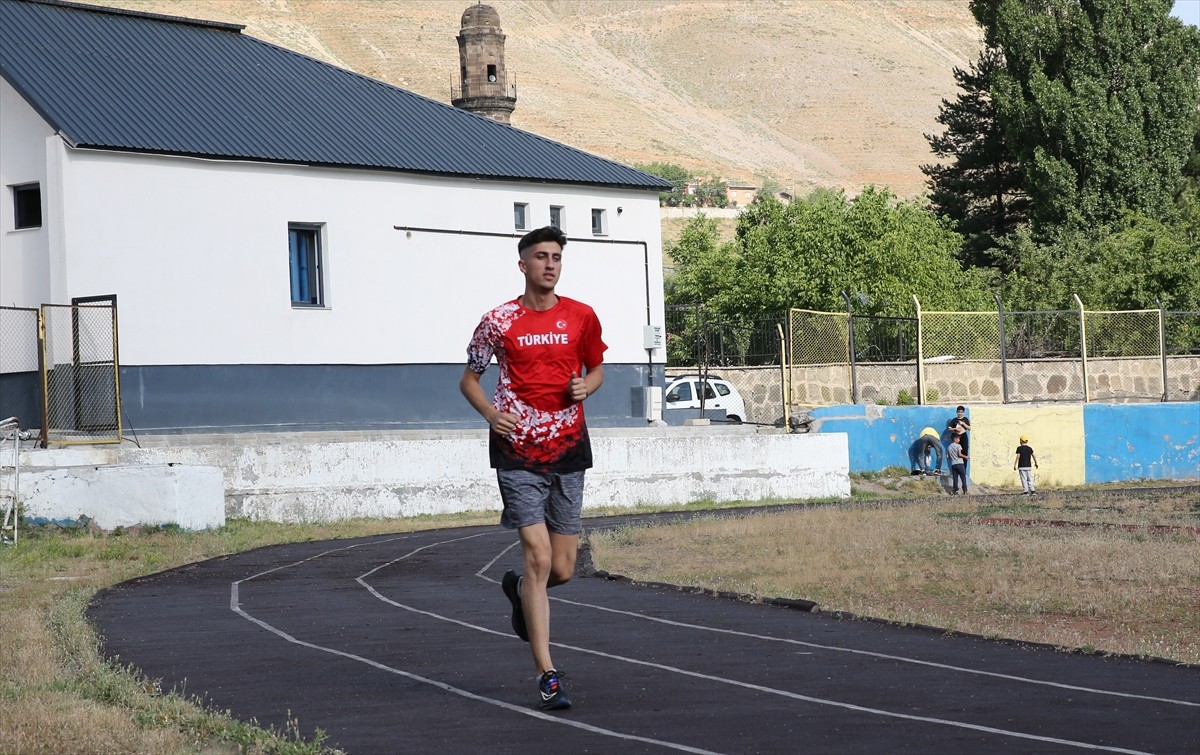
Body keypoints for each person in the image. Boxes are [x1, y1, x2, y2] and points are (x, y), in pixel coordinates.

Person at [459, 225, 606, 712]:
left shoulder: (582, 316)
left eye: (557, 256)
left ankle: (521, 591)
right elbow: (470, 380)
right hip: (516, 449)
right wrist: (490, 414)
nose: (550, 263)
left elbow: (597, 368)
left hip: (568, 448)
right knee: (540, 556)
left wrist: (589, 386)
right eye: (541, 256)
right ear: (522, 264)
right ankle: (548, 674)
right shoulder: (498, 321)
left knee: (562, 567)